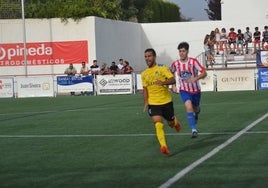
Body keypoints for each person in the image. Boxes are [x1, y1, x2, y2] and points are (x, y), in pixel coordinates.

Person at [141, 48, 182, 156]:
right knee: (158, 124)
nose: (147, 58)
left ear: (154, 57)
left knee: (170, 123)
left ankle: (175, 122)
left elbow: (172, 80)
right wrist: (146, 102)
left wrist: (163, 82)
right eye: (145, 56)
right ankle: (163, 146)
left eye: (149, 56)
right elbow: (145, 89)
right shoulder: (144, 73)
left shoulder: (162, 68)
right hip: (153, 103)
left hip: (166, 101)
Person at [170, 42, 207, 138]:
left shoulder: (193, 62)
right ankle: (194, 130)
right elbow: (170, 74)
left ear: (187, 52)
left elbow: (204, 73)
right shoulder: (176, 64)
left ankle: (197, 112)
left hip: (196, 90)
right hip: (184, 90)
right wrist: (173, 85)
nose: (181, 53)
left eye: (183, 51)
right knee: (189, 107)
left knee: (196, 108)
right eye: (180, 51)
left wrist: (195, 78)